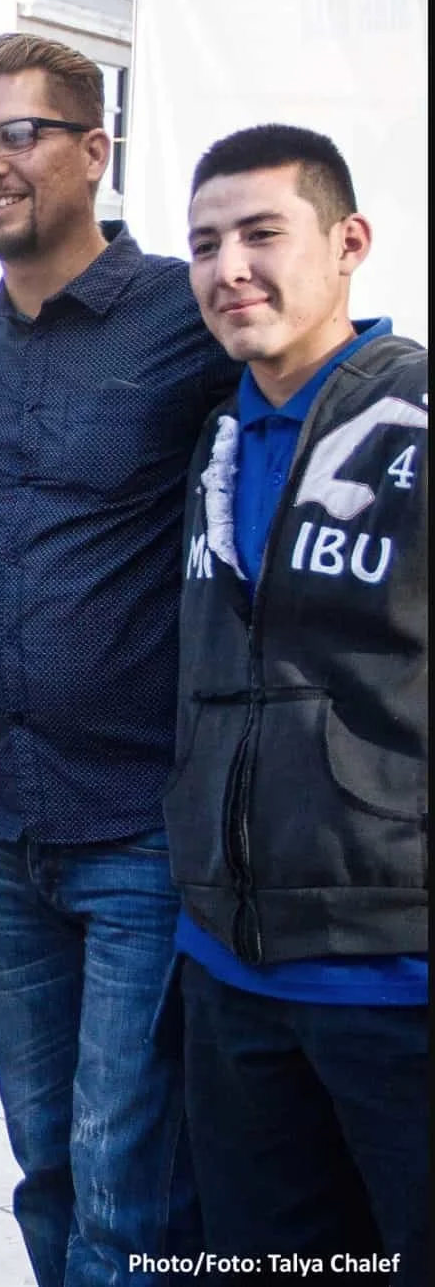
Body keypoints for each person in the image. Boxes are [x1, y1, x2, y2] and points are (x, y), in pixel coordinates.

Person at [0, 33, 232, 1286]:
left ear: (96, 152)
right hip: (8, 833)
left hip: (142, 832)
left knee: (128, 1180)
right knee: (44, 1167)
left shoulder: (185, 314)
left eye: (18, 135)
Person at [168, 124, 425, 1284]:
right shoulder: (214, 438)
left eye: (262, 234)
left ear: (348, 242)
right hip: (230, 970)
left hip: (396, 976)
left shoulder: (414, 422)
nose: (231, 268)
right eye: (205, 243)